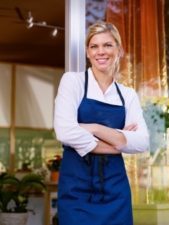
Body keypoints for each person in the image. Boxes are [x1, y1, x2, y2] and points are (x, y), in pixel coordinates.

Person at [54, 21, 149, 225]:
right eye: (94, 46)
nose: (101, 52)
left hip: (116, 189)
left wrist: (94, 128)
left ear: (119, 50)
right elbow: (64, 132)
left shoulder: (127, 95)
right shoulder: (73, 82)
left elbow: (142, 142)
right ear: (88, 53)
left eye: (107, 45)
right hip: (76, 187)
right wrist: (118, 141)